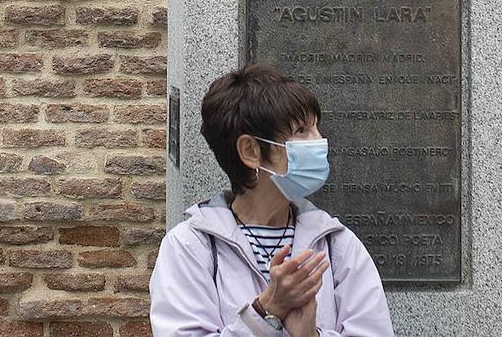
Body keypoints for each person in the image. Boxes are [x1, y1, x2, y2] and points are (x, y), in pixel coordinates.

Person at [150, 65, 393, 337]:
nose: (319, 141)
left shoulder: (336, 245)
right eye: (301, 131)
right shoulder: (190, 248)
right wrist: (265, 312)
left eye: (316, 128)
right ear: (251, 151)